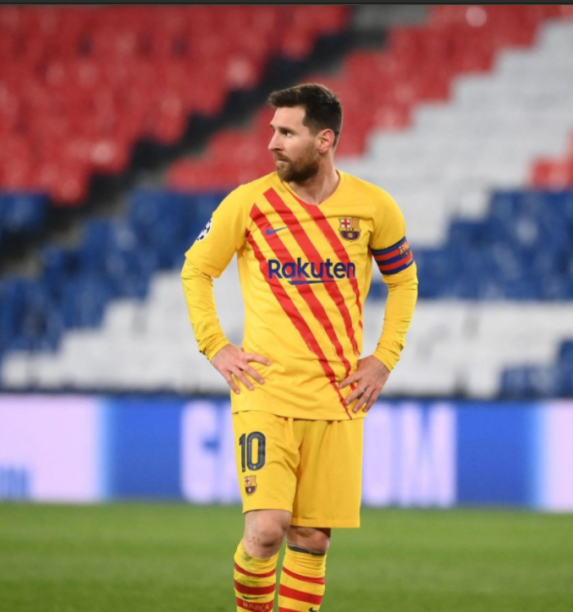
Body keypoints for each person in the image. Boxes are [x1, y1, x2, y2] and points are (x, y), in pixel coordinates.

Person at [181, 83, 418, 612]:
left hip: (338, 398)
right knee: (267, 530)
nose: (272, 142)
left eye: (287, 133)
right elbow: (196, 269)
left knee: (312, 539)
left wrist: (383, 359)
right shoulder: (249, 203)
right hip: (266, 393)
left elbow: (404, 281)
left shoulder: (374, 207)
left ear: (324, 140)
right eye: (273, 131)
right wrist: (215, 345)